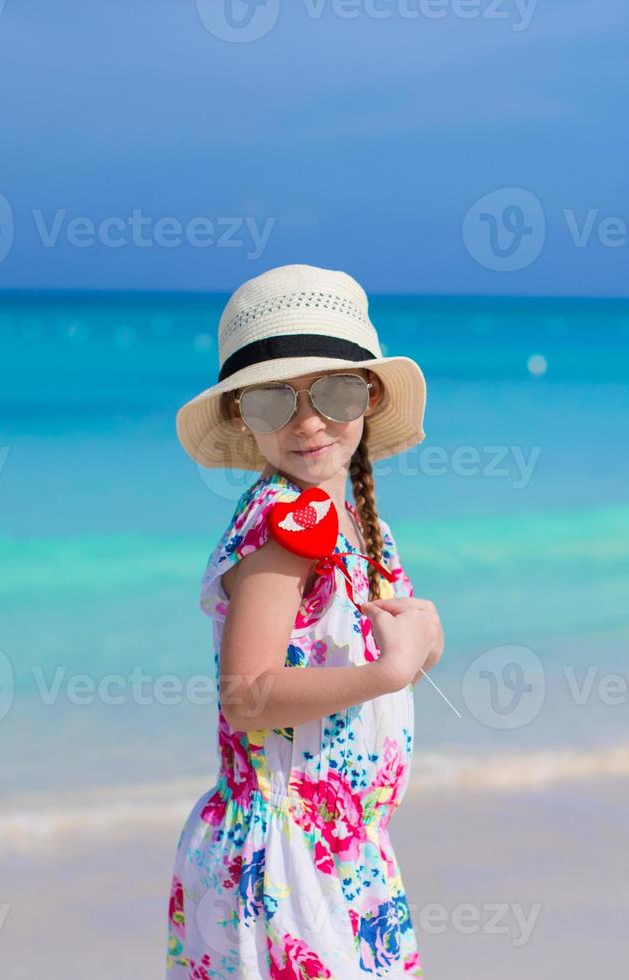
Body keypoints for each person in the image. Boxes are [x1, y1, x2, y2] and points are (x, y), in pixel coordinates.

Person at [167, 264, 444, 978]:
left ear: (370, 394)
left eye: (335, 391)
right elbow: (248, 692)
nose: (309, 421)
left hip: (346, 853)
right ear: (239, 416)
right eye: (272, 402)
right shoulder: (280, 523)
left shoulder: (352, 516)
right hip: (284, 865)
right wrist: (388, 671)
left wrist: (422, 644)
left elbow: (350, 649)